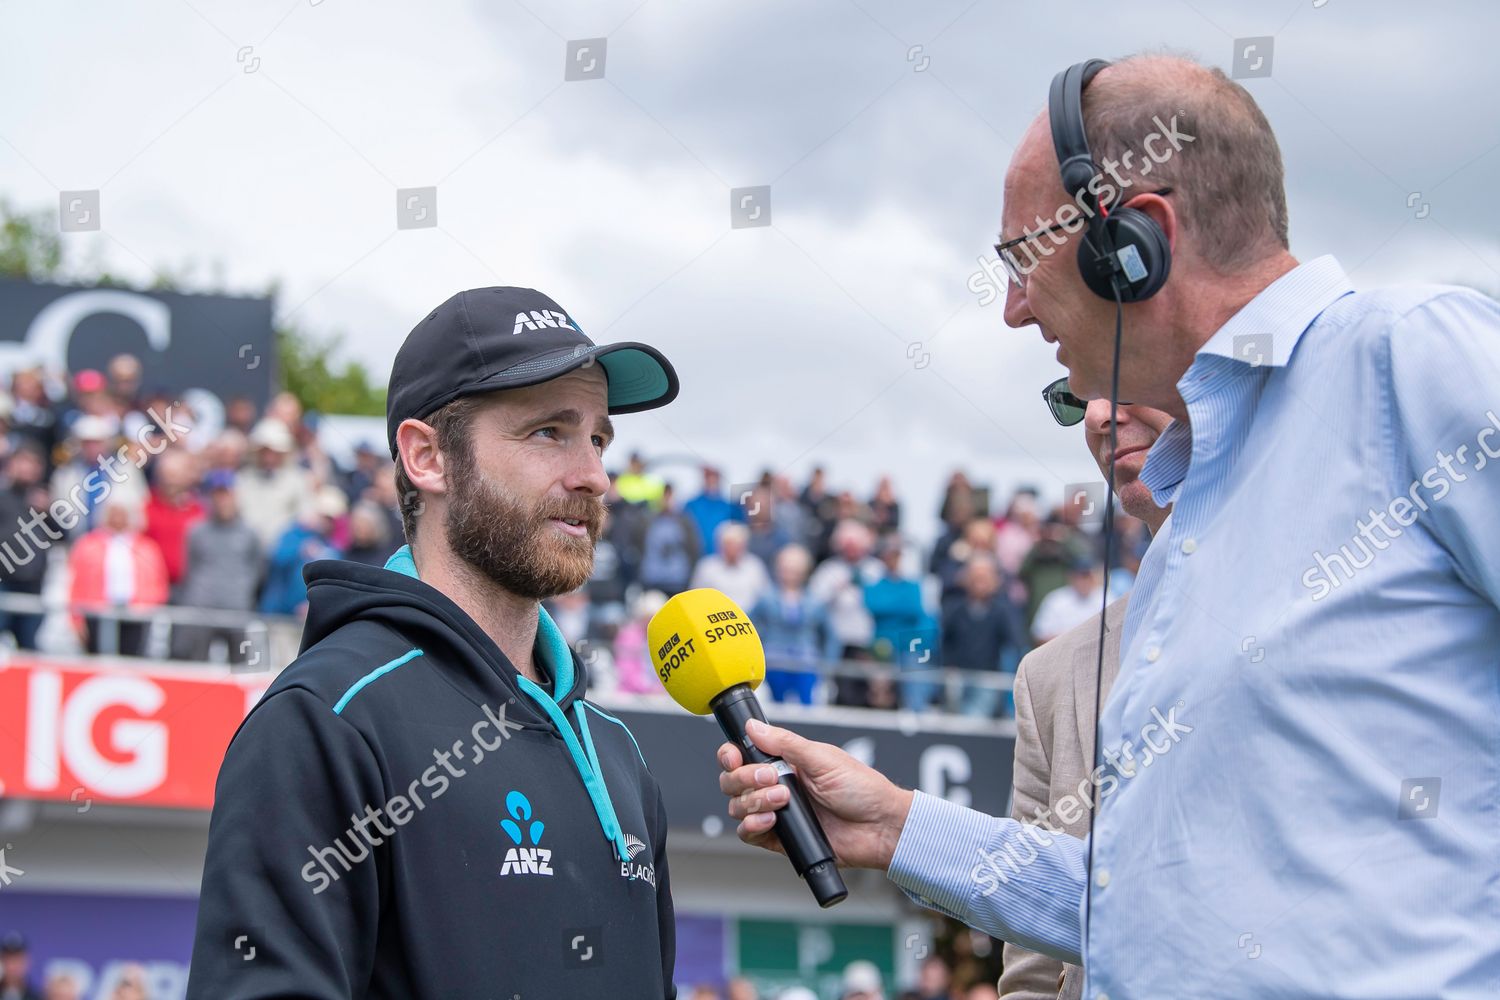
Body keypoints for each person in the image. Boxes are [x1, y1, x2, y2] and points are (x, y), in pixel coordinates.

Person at [718, 53, 1500, 997]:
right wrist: (897, 828)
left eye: (1020, 262)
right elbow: (1150, 907)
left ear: (1136, 241)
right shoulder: (1188, 528)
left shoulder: (1409, 356)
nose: (1010, 311)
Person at [189, 286, 682, 999]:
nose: (594, 476)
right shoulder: (324, 720)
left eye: (599, 438)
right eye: (549, 432)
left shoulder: (617, 751)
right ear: (427, 457)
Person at [1000, 396, 1171, 1000]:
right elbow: (1032, 961)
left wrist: (899, 830)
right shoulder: (1047, 676)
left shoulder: (1333, 590)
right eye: (1079, 394)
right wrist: (900, 832)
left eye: (1127, 378)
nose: (1099, 414)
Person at [171, 470, 264, 664]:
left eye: (227, 495)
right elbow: (189, 568)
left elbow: (258, 570)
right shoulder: (196, 531)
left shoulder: (250, 533)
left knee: (243, 668)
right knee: (196, 666)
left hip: (238, 611)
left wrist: (242, 593)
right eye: (217, 495)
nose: (223, 501)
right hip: (201, 610)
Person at [68, 500, 169, 656]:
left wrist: (149, 608)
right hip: (96, 613)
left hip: (135, 615)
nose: (117, 518)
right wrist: (76, 618)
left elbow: (159, 582)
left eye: (122, 513)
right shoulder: (88, 544)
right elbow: (77, 583)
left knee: (131, 659)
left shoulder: (146, 547)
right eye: (113, 513)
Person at [941, 553, 1025, 719]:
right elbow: (943, 641)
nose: (980, 583)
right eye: (975, 577)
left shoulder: (1003, 611)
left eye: (985, 577)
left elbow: (1015, 643)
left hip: (987, 676)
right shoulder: (954, 608)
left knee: (974, 716)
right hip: (957, 675)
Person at [749, 544, 830, 705]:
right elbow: (749, 623)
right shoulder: (767, 598)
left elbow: (829, 633)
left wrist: (828, 663)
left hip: (805, 663)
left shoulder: (814, 601)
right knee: (774, 706)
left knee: (807, 704)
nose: (790, 576)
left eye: (795, 571)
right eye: (786, 570)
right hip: (774, 661)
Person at [690, 522, 771, 613]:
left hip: (752, 620)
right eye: (729, 544)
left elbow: (765, 597)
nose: (733, 548)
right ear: (720, 545)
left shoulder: (755, 566)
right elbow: (696, 598)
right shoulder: (707, 567)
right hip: (716, 618)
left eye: (737, 544)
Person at [1027, 557, 1102, 645]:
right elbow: (1039, 635)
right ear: (1070, 577)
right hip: (1061, 652)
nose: (1083, 581)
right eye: (1078, 576)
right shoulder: (1056, 599)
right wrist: (1072, 641)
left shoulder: (1105, 597)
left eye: (1086, 576)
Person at [0, 933, 39, 1000]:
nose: (13, 966)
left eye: (18, 960)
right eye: (9, 959)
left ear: (27, 962)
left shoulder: (37, 997)